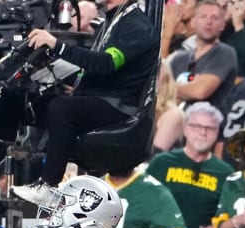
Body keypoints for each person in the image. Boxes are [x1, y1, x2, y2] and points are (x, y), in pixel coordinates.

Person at [8, 0, 159, 203]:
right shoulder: (113, 19)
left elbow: (106, 63)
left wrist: (57, 46)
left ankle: (48, 186)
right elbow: (92, 68)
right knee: (23, 103)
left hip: (118, 106)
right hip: (97, 98)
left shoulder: (136, 26)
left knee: (62, 108)